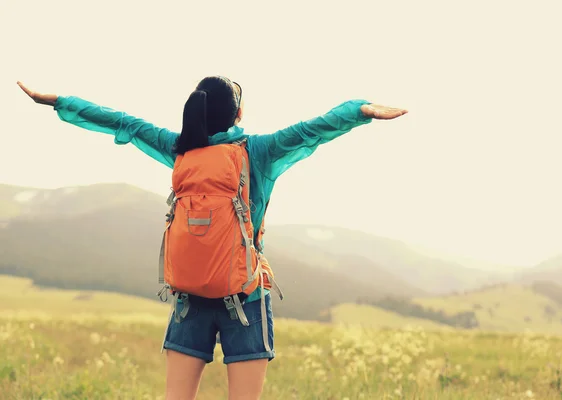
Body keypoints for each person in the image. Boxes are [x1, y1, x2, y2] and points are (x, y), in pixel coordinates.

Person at [17, 77, 408, 400]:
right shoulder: (257, 150)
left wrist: (62, 102)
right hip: (246, 296)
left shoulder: (182, 147)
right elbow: (313, 129)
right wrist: (360, 111)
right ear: (238, 114)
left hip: (190, 297)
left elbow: (125, 123)